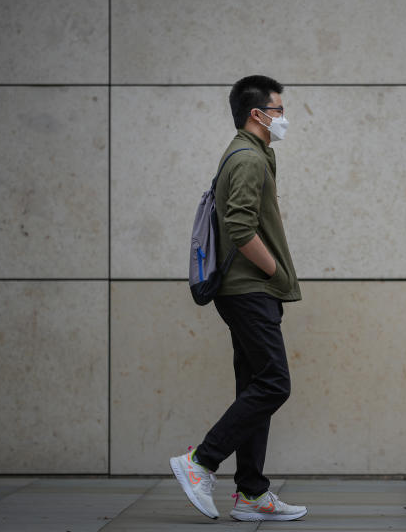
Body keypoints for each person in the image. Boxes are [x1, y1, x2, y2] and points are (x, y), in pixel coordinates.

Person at [170, 75, 307, 521]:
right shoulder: (247, 158)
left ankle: (251, 493)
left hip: (247, 291)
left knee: (254, 386)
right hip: (250, 291)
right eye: (279, 109)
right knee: (274, 383)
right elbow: (239, 227)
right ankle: (201, 462)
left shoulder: (250, 154)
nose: (284, 117)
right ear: (258, 113)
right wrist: (274, 270)